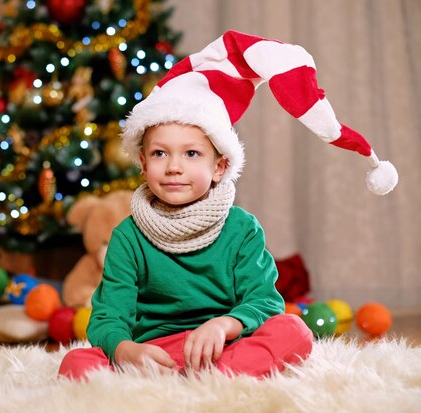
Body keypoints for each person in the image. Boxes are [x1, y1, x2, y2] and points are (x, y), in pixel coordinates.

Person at [58, 30, 398, 380]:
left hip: (224, 347)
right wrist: (126, 349)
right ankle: (182, 381)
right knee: (76, 364)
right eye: (160, 153)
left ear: (219, 167)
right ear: (143, 163)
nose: (174, 166)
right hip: (155, 353)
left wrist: (224, 325)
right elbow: (107, 317)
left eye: (192, 154)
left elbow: (265, 302)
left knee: (293, 330)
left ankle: (213, 379)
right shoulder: (128, 237)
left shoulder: (241, 229)